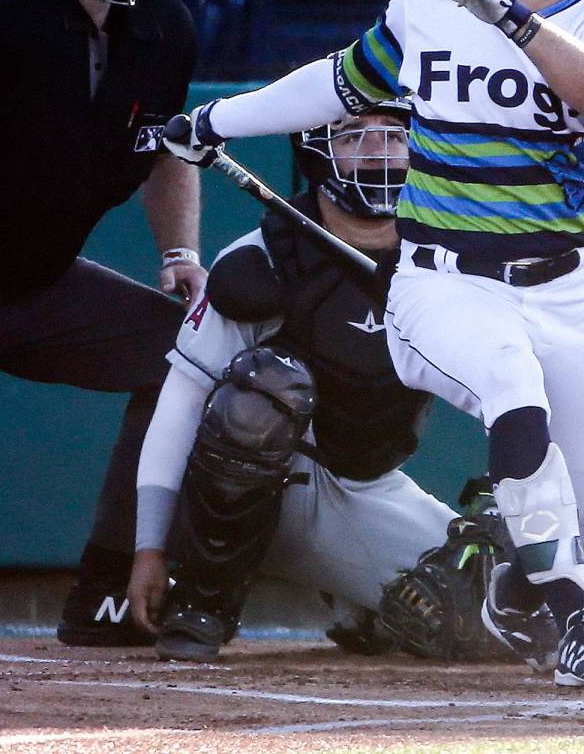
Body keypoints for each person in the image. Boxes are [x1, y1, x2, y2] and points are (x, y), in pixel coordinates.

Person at [164, 0, 584, 687]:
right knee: (511, 385)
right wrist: (216, 121)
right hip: (447, 282)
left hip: (567, 291)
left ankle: (514, 577)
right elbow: (340, 80)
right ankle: (579, 625)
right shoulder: (427, 3)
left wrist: (512, 18)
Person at [128, 100, 526, 663]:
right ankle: (203, 603)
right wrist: (149, 548)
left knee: (501, 622)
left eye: (394, 134)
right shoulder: (261, 258)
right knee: (265, 391)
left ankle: (366, 607)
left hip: (365, 485)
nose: (375, 151)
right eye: (352, 135)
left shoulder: (447, 261)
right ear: (316, 151)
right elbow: (180, 404)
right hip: (246, 492)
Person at [0, 0, 206, 646]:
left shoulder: (168, 28)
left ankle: (111, 587)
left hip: (40, 284)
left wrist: (180, 253)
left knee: (190, 355)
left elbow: (172, 153)